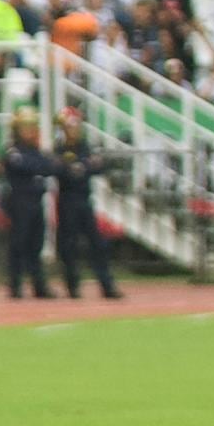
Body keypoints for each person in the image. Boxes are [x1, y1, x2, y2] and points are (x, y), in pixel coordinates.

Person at [51, 115, 122, 299]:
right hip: (67, 200)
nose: (74, 131)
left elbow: (97, 166)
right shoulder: (59, 149)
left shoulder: (85, 147)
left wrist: (81, 168)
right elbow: (58, 169)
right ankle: (72, 285)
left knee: (97, 243)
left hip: (84, 199)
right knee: (69, 245)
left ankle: (106, 284)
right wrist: (77, 168)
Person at [0, 111, 57, 298]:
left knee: (36, 244)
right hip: (20, 200)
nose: (29, 131)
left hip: (36, 200)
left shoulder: (35, 151)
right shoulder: (12, 151)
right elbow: (29, 166)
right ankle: (15, 285)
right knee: (18, 243)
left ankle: (39, 285)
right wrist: (39, 167)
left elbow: (48, 167)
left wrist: (39, 166)